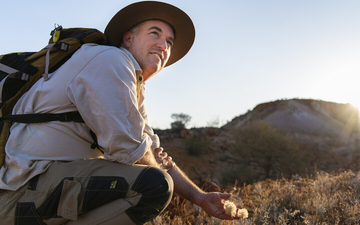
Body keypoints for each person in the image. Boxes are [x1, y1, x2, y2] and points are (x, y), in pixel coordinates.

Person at [0, 1, 238, 224]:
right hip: (22, 192)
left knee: (153, 177)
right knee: (155, 185)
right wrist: (153, 160)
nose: (163, 45)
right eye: (154, 33)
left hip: (48, 186)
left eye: (169, 42)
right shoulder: (111, 60)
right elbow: (131, 151)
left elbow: (151, 152)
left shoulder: (134, 87)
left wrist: (200, 197)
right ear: (127, 38)